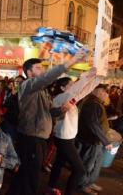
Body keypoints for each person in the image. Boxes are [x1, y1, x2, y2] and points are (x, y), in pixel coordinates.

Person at [7, 53, 84, 195]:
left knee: (24, 176)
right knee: (32, 178)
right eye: (38, 68)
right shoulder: (26, 85)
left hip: (39, 138)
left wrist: (61, 110)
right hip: (31, 138)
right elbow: (45, 78)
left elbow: (50, 112)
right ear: (29, 72)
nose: (42, 71)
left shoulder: (43, 91)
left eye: (42, 68)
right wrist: (70, 62)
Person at [46, 67, 98, 195]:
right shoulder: (61, 97)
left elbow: (83, 92)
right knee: (80, 170)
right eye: (70, 84)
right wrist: (87, 75)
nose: (73, 86)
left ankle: (50, 187)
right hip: (64, 139)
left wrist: (97, 78)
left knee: (59, 163)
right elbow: (77, 89)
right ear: (63, 88)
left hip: (67, 137)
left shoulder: (69, 98)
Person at [76, 84, 113, 195]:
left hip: (96, 140)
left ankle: (89, 181)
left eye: (106, 92)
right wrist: (105, 141)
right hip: (91, 140)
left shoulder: (96, 103)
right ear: (96, 91)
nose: (106, 94)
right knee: (88, 163)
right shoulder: (92, 104)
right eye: (104, 91)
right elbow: (93, 124)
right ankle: (82, 184)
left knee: (96, 162)